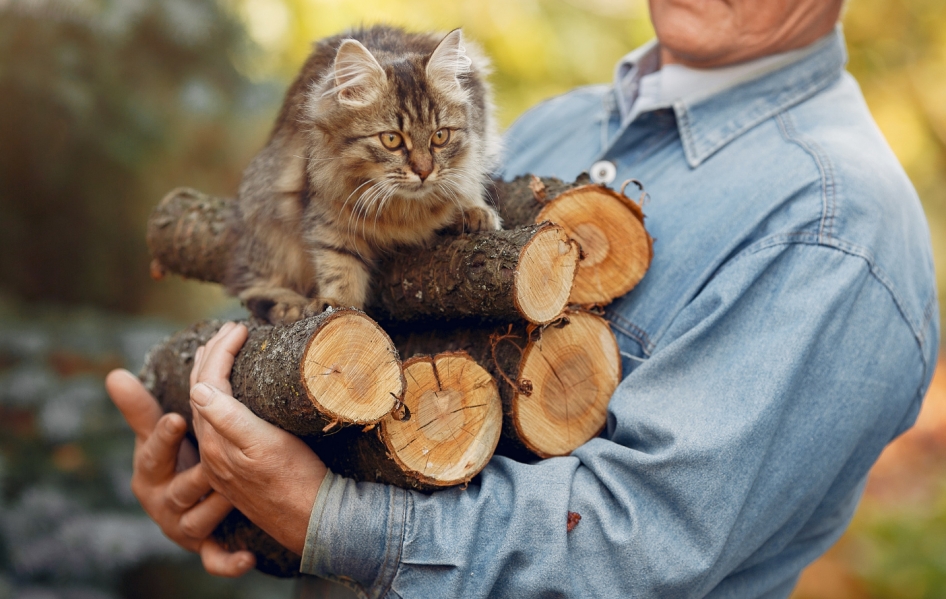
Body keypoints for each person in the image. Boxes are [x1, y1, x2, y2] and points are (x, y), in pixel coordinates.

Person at [106, 0, 941, 596]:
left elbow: (634, 552)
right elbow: (366, 372)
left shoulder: (833, 227)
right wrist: (219, 481)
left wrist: (323, 516)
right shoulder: (549, 128)